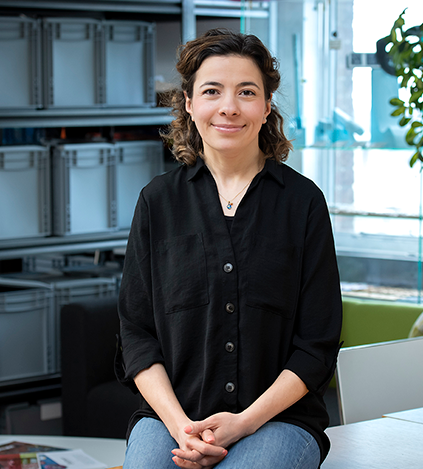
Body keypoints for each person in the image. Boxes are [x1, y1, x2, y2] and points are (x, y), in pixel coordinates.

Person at [115, 28, 342, 469]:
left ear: (266, 105)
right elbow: (136, 335)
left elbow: (318, 343)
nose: (229, 107)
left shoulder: (303, 203)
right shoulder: (157, 201)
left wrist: (244, 422)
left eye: (246, 92)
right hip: (172, 419)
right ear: (189, 102)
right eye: (212, 91)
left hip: (279, 419)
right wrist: (180, 424)